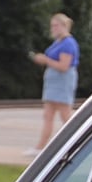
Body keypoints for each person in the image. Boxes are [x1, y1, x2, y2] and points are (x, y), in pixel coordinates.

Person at [30, 14, 79, 144]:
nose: (53, 29)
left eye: (56, 26)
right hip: (53, 84)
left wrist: (45, 60)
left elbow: (64, 66)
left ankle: (76, 141)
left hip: (62, 82)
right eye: (52, 26)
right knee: (48, 115)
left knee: (65, 115)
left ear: (64, 26)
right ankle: (41, 147)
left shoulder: (68, 43)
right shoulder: (58, 42)